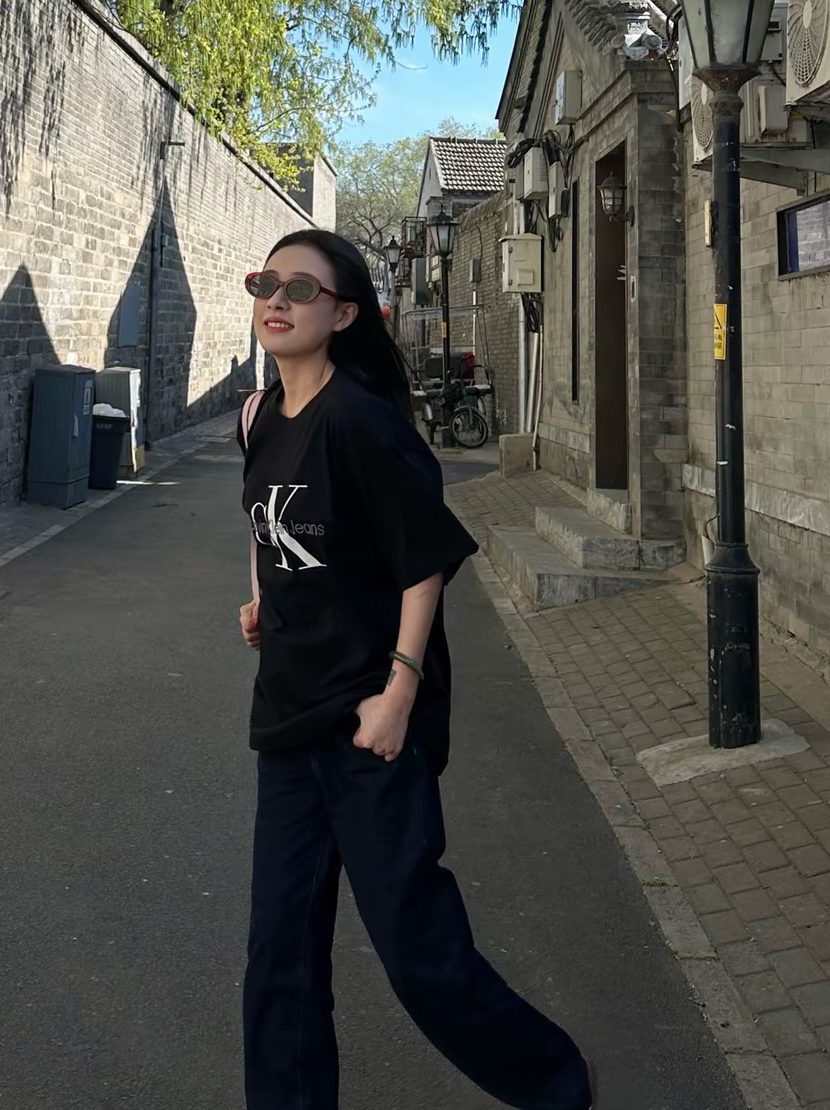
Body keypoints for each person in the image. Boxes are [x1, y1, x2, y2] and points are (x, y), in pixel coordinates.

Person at [235, 229, 595, 1110]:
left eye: (301, 289)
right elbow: (264, 522)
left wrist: (399, 692)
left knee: (419, 955)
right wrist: (260, 599)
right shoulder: (254, 415)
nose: (277, 300)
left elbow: (422, 560)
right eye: (266, 282)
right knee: (279, 959)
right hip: (288, 719)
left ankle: (559, 1082)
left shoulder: (362, 420)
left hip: (368, 728)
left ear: (342, 314)